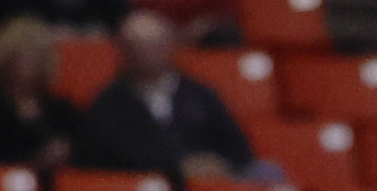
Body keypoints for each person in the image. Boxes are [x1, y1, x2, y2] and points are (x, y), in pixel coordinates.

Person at [74, 9, 253, 181]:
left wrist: (218, 164)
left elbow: (238, 148)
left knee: (265, 172)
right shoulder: (108, 104)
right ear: (122, 50)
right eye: (135, 45)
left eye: (152, 44)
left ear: (169, 45)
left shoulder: (200, 94)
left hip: (213, 187)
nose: (144, 53)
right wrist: (175, 170)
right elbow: (104, 163)